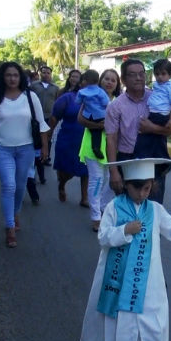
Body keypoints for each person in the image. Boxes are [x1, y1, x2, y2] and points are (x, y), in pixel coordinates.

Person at [80, 158, 171, 341]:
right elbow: (103, 237)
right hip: (118, 278)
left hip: (148, 279)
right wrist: (124, 230)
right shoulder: (114, 207)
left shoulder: (155, 210)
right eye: (137, 189)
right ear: (126, 185)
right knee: (119, 316)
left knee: (150, 319)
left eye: (147, 189)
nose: (142, 194)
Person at [0, 61, 50, 248]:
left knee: (19, 186)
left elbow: (41, 123)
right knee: (8, 185)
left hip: (25, 149)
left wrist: (44, 147)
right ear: (2, 77)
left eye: (15, 75)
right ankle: (9, 227)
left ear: (20, 78)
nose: (12, 78)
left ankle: (15, 212)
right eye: (8, 75)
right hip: (2, 149)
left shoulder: (30, 97)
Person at [105, 59, 171, 204]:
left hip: (153, 160)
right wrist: (113, 172)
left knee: (153, 207)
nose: (138, 78)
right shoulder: (115, 106)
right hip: (128, 161)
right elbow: (111, 139)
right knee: (127, 209)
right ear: (124, 79)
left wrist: (152, 128)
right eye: (132, 74)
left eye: (141, 74)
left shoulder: (157, 98)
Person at [78, 69, 122, 232]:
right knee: (96, 180)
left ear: (117, 84)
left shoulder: (120, 101)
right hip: (92, 145)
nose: (109, 82)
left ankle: (103, 206)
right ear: (100, 80)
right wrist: (100, 126)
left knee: (113, 181)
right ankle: (96, 216)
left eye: (113, 80)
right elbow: (80, 119)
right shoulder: (91, 96)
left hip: (114, 147)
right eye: (106, 79)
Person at [133, 59, 171, 174]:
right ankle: (156, 160)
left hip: (161, 116)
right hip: (154, 114)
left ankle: (163, 162)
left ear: (170, 75)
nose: (160, 77)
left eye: (163, 74)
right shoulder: (157, 86)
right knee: (153, 138)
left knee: (147, 136)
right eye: (157, 74)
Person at [49, 70, 89, 207]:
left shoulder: (97, 99)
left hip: (87, 141)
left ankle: (84, 198)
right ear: (81, 83)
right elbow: (55, 116)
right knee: (68, 171)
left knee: (86, 170)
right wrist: (48, 136)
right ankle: (62, 184)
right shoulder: (68, 97)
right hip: (68, 139)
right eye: (86, 81)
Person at [75, 69, 110, 159]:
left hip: (88, 116)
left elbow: (77, 101)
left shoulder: (82, 92)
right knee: (100, 129)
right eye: (107, 79)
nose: (109, 82)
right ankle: (97, 147)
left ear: (85, 80)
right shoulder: (100, 91)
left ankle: (96, 147)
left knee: (95, 132)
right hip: (100, 115)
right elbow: (105, 103)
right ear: (98, 80)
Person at [30, 65, 61, 166]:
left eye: (48, 73)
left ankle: (46, 157)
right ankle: (34, 157)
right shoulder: (33, 85)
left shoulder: (56, 88)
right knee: (34, 136)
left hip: (49, 117)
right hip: (35, 117)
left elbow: (57, 102)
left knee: (48, 137)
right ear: (40, 73)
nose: (46, 75)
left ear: (51, 74)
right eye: (44, 72)